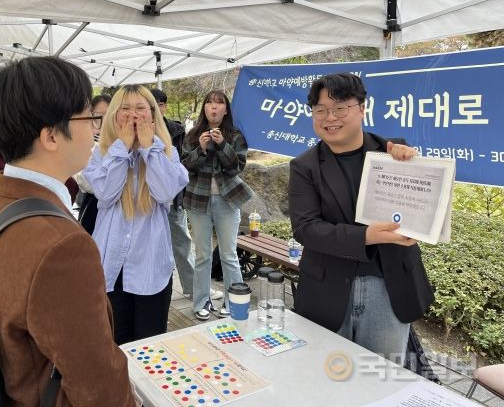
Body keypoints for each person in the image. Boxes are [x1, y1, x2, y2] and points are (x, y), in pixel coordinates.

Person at [0, 56, 136, 406]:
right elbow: (99, 386)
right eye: (89, 116)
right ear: (50, 136)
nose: (95, 129)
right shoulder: (62, 245)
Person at [288, 72, 434, 363]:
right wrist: (365, 237)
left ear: (362, 108)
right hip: (327, 291)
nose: (330, 117)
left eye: (340, 108)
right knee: (329, 376)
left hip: (389, 290)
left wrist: (415, 167)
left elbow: (420, 209)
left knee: (382, 378)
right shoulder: (305, 166)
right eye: (320, 110)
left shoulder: (395, 154)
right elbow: (306, 228)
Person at [83, 85, 188, 344]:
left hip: (150, 266)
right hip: (110, 268)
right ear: (114, 115)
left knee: (150, 345)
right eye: (125, 109)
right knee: (114, 345)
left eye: (141, 108)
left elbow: (165, 193)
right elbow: (106, 193)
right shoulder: (101, 153)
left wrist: (148, 148)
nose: (133, 115)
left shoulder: (166, 152)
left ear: (153, 115)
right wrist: (122, 148)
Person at [182, 90, 253, 321]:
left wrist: (222, 144)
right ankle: (201, 301)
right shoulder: (192, 135)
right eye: (210, 103)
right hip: (197, 200)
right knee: (202, 254)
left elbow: (236, 168)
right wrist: (200, 150)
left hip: (227, 200)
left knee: (229, 254)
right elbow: (185, 169)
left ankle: (234, 300)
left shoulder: (235, 136)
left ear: (225, 109)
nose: (214, 107)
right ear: (204, 108)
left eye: (219, 103)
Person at [149, 89, 225, 302]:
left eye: (158, 104)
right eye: (150, 104)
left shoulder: (177, 130)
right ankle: (151, 291)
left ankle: (194, 287)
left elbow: (185, 164)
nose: (154, 108)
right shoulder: (138, 130)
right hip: (146, 200)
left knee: (182, 241)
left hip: (172, 197)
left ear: (164, 106)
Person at [75, 94, 111, 234]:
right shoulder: (86, 143)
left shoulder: (124, 144)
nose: (103, 119)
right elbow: (85, 181)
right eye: (98, 115)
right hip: (93, 207)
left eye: (109, 114)